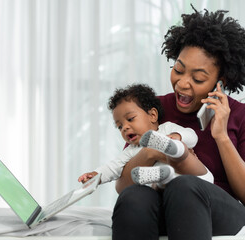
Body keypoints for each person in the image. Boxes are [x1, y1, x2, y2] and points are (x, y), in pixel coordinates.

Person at [112, 5, 245, 240]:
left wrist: (221, 136)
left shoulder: (239, 115)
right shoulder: (154, 110)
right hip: (159, 207)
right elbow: (123, 186)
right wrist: (152, 152)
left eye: (198, 78)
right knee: (134, 196)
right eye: (178, 70)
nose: (182, 83)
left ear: (220, 83)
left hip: (218, 209)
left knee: (183, 186)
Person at [78, 84, 213, 188]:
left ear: (152, 115)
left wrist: (176, 136)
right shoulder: (131, 151)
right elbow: (112, 167)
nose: (124, 127)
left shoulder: (167, 128)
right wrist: (96, 176)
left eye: (130, 119)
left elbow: (192, 136)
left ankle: (173, 148)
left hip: (198, 180)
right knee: (158, 186)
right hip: (168, 188)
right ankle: (163, 176)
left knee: (182, 149)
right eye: (119, 126)